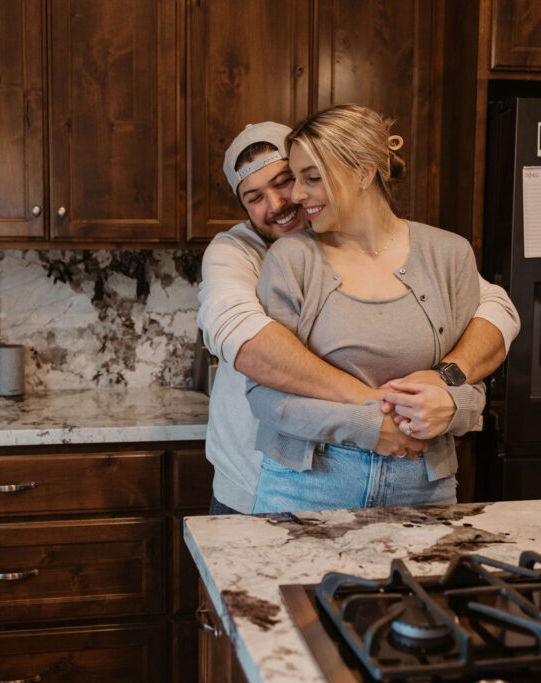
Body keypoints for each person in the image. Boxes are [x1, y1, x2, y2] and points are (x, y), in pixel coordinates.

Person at [198, 118, 520, 515]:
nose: (282, 201)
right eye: (254, 196)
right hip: (265, 479)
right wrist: (375, 409)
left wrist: (445, 384)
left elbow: (495, 310)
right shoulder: (239, 253)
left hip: (417, 479)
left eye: (288, 179)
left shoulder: (428, 250)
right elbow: (247, 343)